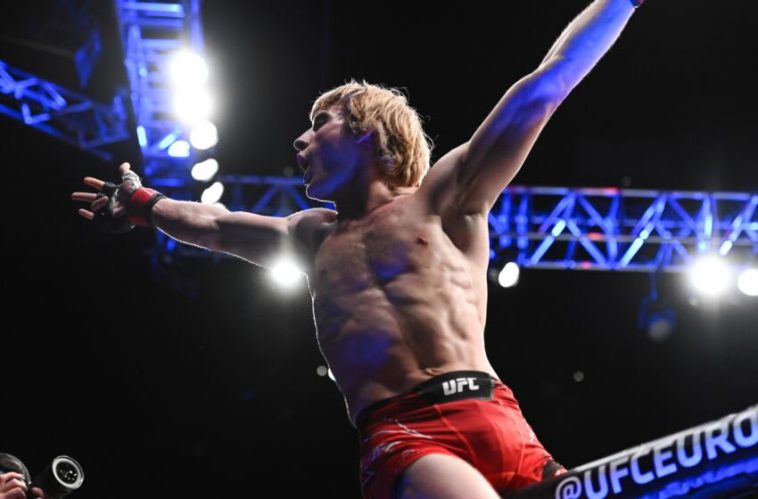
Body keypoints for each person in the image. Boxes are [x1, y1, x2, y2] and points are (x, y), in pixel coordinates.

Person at [72, 0, 646, 496]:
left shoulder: (446, 198)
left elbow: (547, 84)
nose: (299, 139)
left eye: (320, 122)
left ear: (368, 130)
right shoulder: (311, 236)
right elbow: (217, 225)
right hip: (404, 434)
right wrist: (145, 204)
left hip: (496, 414)